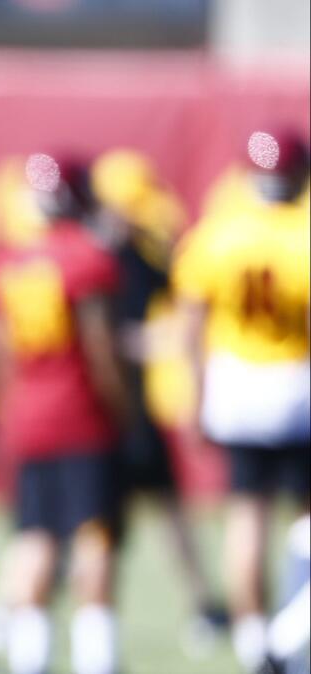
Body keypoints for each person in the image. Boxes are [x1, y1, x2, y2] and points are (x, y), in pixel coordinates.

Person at [0, 153, 128, 674]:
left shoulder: (9, 264)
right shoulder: (88, 259)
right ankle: (95, 660)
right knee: (94, 539)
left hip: (28, 416)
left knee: (35, 539)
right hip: (80, 417)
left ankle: (30, 658)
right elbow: (100, 350)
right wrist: (122, 411)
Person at [173, 130, 310, 674]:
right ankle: (287, 631)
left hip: (235, 388)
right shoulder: (304, 235)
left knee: (245, 516)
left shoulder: (218, 233)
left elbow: (191, 325)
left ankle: (257, 643)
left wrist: (194, 398)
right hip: (296, 385)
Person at [88, 149, 229, 640]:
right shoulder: (90, 259)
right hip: (97, 411)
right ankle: (75, 624)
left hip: (135, 410)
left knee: (169, 513)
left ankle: (204, 603)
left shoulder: (146, 256)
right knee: (92, 525)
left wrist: (149, 343)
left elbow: (185, 313)